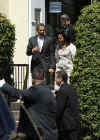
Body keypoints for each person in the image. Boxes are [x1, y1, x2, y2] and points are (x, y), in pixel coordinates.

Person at [0, 66, 57, 140]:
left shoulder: (36, 90)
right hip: (51, 133)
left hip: (41, 134)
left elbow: (18, 93)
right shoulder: (48, 91)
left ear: (33, 80)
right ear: (44, 78)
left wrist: (3, 84)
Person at [55, 71, 80, 140]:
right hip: (74, 123)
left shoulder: (62, 91)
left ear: (60, 79)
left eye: (56, 78)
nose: (55, 80)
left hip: (66, 126)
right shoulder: (71, 88)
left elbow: (58, 110)